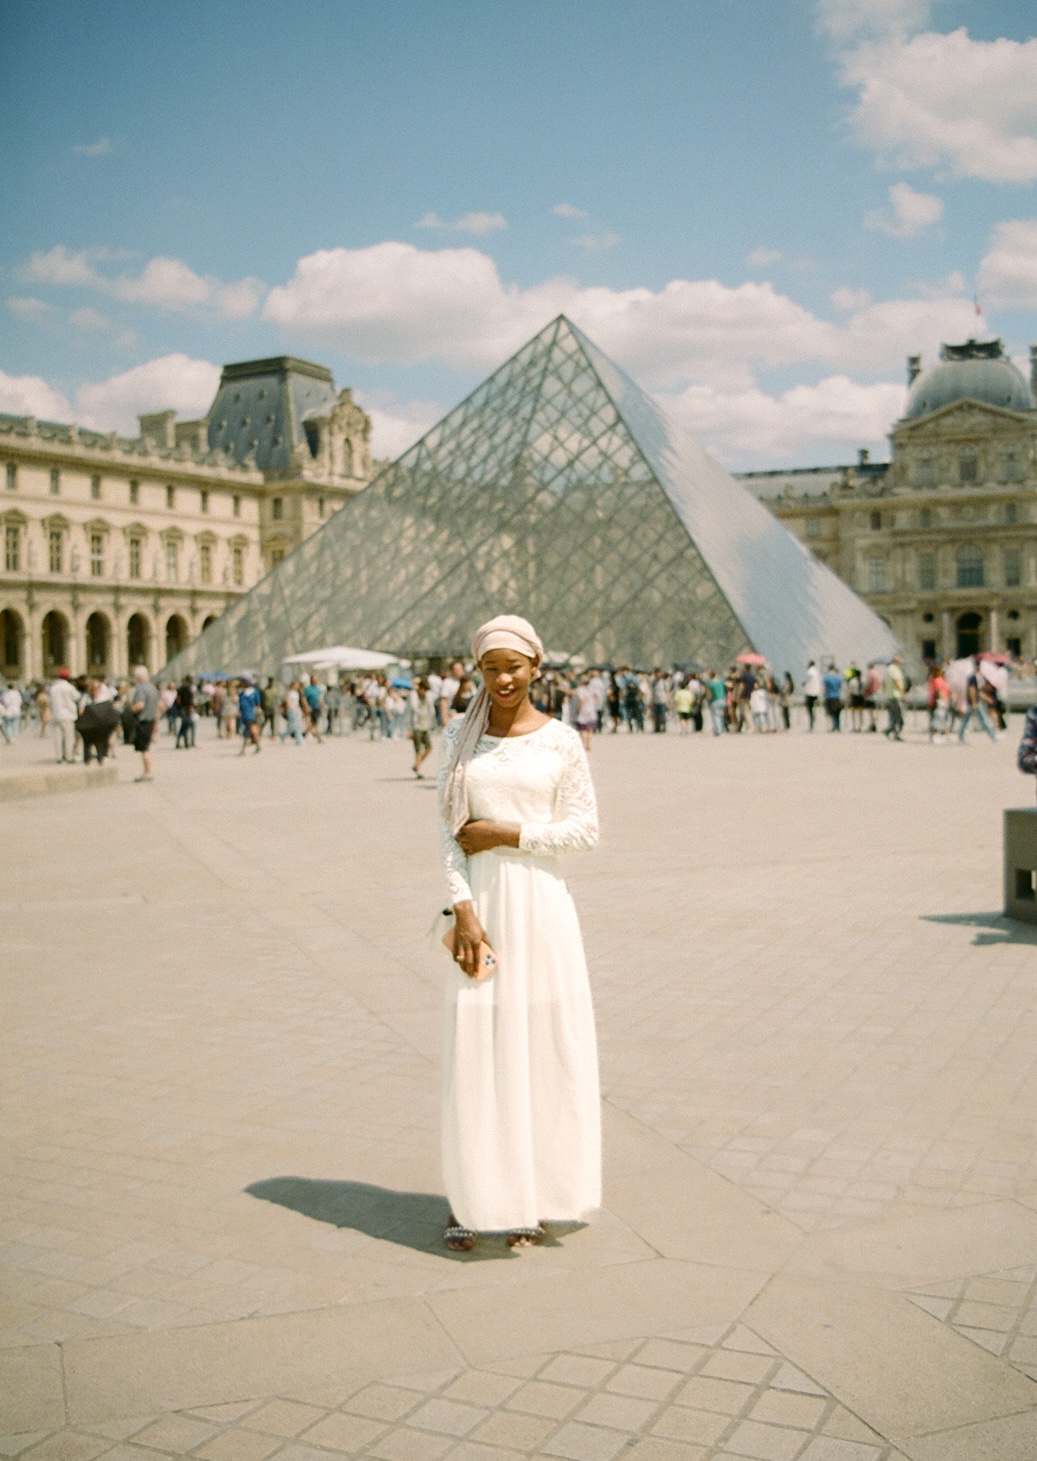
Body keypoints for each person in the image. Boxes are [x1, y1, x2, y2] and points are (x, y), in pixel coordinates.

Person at [437, 614, 600, 1252]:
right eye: (490, 668)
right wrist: (462, 909)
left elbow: (584, 831)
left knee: (540, 1050)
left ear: (536, 666)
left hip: (542, 908)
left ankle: (531, 1201)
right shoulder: (459, 736)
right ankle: (471, 1202)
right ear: (477, 670)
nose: (503, 679)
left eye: (513, 667)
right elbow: (447, 834)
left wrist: (506, 833)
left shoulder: (562, 741)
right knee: (476, 1054)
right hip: (481, 906)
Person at [129, 666, 158, 782]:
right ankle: (148, 771)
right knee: (146, 747)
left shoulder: (140, 689)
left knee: (144, 748)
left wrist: (130, 709)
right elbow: (156, 707)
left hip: (143, 721)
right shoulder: (153, 688)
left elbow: (140, 705)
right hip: (151, 720)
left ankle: (148, 772)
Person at [958, 659, 998, 743]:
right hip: (974, 702)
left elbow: (978, 691)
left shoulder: (976, 677)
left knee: (968, 720)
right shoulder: (973, 677)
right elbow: (972, 690)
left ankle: (961, 736)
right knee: (982, 719)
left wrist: (986, 698)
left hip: (975, 701)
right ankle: (993, 736)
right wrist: (974, 703)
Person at [49, 668, 80, 764]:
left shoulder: (53, 687)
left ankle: (59, 757)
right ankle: (68, 757)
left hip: (56, 714)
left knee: (58, 737)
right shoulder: (69, 687)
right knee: (68, 737)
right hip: (68, 715)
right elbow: (77, 697)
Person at [409, 676, 436, 777]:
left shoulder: (428, 696)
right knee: (418, 749)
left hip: (426, 725)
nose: (424, 692)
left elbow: (431, 710)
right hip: (416, 726)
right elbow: (411, 711)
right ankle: (418, 769)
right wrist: (410, 729)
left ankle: (417, 765)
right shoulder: (414, 696)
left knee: (429, 748)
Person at [572, 674, 598, 751]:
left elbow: (581, 700)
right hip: (591, 709)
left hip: (583, 710)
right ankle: (589, 744)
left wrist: (578, 707)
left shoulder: (580, 689)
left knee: (583, 729)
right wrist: (594, 702)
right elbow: (598, 695)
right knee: (590, 729)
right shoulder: (592, 688)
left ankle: (584, 744)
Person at [884, 656, 907, 741]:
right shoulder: (895, 670)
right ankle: (897, 733)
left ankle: (890, 730)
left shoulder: (888, 669)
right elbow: (896, 682)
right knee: (900, 715)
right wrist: (903, 695)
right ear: (897, 661)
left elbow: (884, 683)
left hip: (889, 695)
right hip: (896, 695)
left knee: (893, 715)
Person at [238, 675, 262, 753]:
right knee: (248, 731)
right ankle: (256, 746)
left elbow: (258, 704)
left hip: (251, 714)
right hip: (244, 715)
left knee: (250, 730)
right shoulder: (242, 693)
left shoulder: (254, 692)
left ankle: (244, 748)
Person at [928, 663, 951, 743]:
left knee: (944, 719)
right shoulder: (937, 680)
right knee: (937, 719)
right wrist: (943, 700)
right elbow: (938, 691)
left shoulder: (941, 679)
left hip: (943, 700)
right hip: (939, 702)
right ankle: (934, 735)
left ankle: (945, 734)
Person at [174, 676, 196, 749]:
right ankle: (185, 742)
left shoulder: (186, 688)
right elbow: (179, 699)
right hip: (185, 708)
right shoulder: (184, 688)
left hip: (186, 708)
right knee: (185, 725)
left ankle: (185, 742)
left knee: (186, 725)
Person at [822, 663, 843, 732]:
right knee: (837, 713)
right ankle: (838, 726)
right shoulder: (838, 678)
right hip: (837, 696)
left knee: (831, 713)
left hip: (829, 696)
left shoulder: (827, 678)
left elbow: (825, 688)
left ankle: (833, 726)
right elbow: (840, 687)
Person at [302, 675, 323, 741]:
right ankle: (318, 735)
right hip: (311, 707)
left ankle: (305, 733)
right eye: (314, 679)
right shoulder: (308, 689)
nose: (316, 680)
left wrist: (322, 704)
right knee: (314, 722)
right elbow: (304, 698)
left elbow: (318, 697)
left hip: (317, 707)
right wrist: (307, 706)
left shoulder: (317, 688)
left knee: (314, 723)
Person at [803, 660, 822, 732]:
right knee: (814, 709)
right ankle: (814, 722)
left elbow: (807, 682)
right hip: (817, 693)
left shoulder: (809, 671)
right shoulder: (817, 672)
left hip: (810, 693)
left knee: (810, 710)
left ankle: (811, 725)